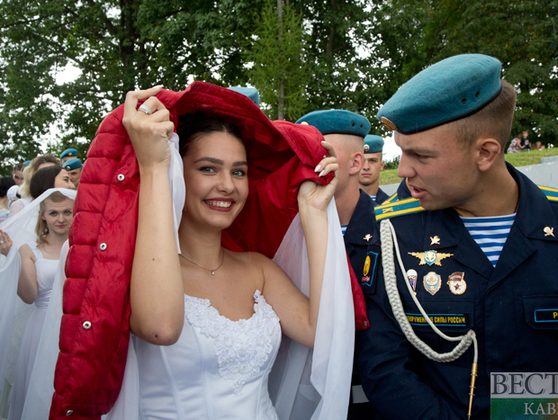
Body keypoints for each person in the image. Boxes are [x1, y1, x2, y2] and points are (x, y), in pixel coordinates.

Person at [50, 84, 354, 420]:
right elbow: (161, 327)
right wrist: (153, 167)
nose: (227, 185)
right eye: (208, 168)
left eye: (238, 171)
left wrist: (313, 214)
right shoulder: (133, 269)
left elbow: (323, 331)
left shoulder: (259, 270)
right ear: (177, 173)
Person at [356, 53, 558, 419]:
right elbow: (385, 369)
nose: (403, 169)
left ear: (485, 152)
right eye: (403, 152)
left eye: (421, 155)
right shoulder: (389, 233)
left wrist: (526, 411)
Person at [296, 109, 375, 419]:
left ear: (355, 163)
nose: (312, 162)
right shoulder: (290, 230)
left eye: (322, 150)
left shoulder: (391, 231)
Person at [0, 189, 74, 420]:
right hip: (42, 328)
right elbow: (29, 295)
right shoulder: (29, 249)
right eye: (53, 213)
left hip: (75, 326)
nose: (60, 219)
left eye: (66, 212)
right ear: (42, 215)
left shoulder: (85, 247)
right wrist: (13, 260)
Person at [359, 135, 390, 204]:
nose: (366, 167)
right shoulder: (340, 206)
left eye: (372, 161)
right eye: (361, 161)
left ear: (381, 165)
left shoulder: (392, 205)